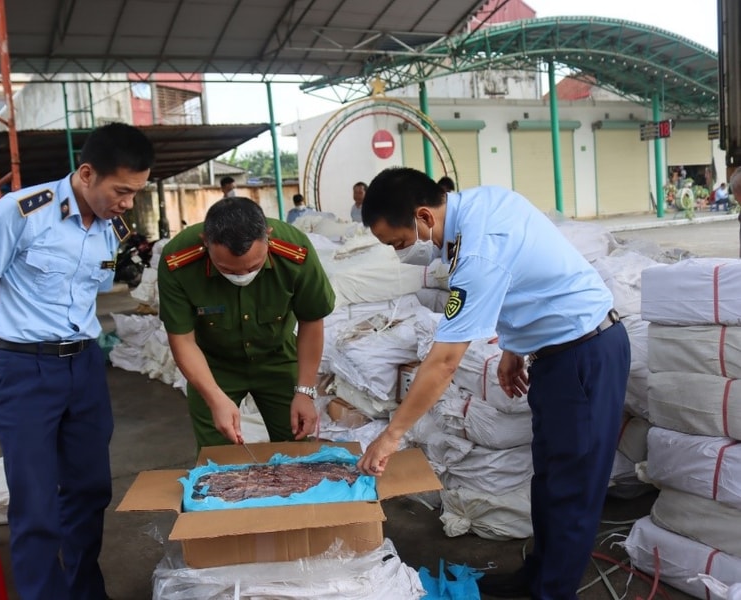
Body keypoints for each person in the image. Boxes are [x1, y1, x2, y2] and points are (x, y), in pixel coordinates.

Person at [355, 167, 630, 600]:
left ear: (424, 216)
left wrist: (392, 436)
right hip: (558, 353)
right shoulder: (481, 205)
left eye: (400, 243)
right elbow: (523, 278)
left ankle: (553, 593)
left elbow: (444, 362)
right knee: (549, 480)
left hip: (584, 355)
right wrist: (513, 349)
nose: (401, 253)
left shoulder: (476, 252)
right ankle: (537, 576)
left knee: (572, 489)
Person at [0, 123, 155, 600]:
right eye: (122, 191)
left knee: (89, 491)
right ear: (86, 173)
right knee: (37, 503)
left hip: (84, 367)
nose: (128, 202)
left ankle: (86, 590)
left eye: (136, 192)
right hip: (25, 371)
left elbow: (93, 290)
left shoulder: (114, 228)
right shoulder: (22, 213)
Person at [157, 196, 335, 449]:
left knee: (294, 445)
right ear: (205, 242)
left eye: (254, 266)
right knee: (216, 457)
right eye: (227, 270)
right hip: (213, 365)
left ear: (268, 237)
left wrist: (305, 392)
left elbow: (311, 320)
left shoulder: (295, 251)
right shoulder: (179, 261)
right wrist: (214, 398)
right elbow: (182, 339)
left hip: (278, 357)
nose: (243, 276)